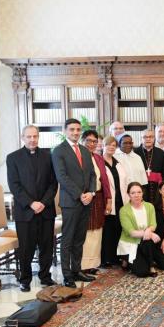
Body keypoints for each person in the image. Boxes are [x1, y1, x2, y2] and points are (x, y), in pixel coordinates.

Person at [6, 125, 58, 292]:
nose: (32, 139)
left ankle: (45, 276)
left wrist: (43, 202)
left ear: (38, 137)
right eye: (29, 137)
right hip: (25, 211)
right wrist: (31, 203)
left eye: (35, 136)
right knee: (26, 248)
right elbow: (14, 185)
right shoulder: (13, 158)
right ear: (23, 138)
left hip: (46, 209)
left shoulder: (48, 156)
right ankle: (25, 279)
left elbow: (53, 183)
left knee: (46, 246)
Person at [52, 118, 96, 288]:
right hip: (71, 202)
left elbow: (92, 175)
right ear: (65, 131)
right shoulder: (59, 151)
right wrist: (80, 195)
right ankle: (67, 275)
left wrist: (91, 193)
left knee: (79, 238)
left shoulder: (85, 151)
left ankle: (77, 270)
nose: (76, 132)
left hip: (86, 201)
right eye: (72, 129)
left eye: (78, 129)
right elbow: (62, 177)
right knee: (68, 240)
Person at [118, 182, 164, 277]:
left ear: (142, 193)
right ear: (128, 194)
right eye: (133, 193)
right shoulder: (124, 210)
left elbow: (153, 225)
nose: (136, 195)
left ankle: (147, 260)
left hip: (146, 243)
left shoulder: (149, 206)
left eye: (139, 192)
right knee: (142, 272)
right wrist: (150, 233)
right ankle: (131, 260)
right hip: (132, 243)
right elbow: (131, 232)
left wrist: (149, 231)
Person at [80, 130, 112, 274]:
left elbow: (104, 181)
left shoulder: (99, 158)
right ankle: (83, 266)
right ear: (82, 141)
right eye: (88, 141)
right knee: (86, 233)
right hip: (84, 199)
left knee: (97, 232)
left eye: (94, 141)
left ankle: (93, 264)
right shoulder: (78, 157)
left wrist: (109, 200)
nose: (91, 144)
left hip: (98, 198)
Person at [101, 136, 129, 268]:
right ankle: (106, 258)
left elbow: (124, 182)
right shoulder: (99, 162)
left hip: (120, 201)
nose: (111, 147)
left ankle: (115, 257)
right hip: (106, 201)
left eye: (114, 145)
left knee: (118, 229)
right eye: (108, 145)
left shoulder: (117, 162)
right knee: (107, 231)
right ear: (103, 146)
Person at [134, 129, 164, 204]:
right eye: (145, 137)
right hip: (140, 187)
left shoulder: (160, 153)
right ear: (141, 138)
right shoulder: (135, 152)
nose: (148, 139)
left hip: (157, 188)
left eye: (151, 137)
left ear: (154, 138)